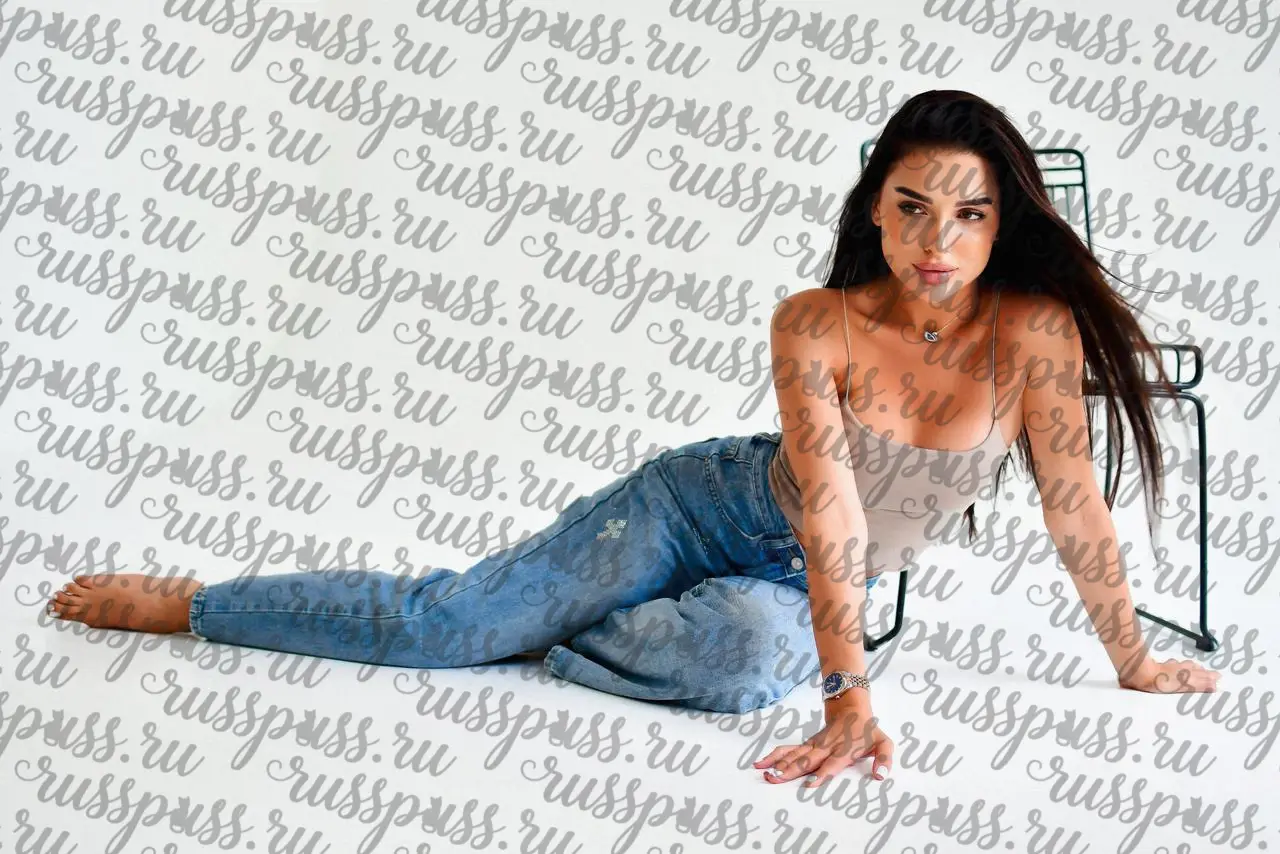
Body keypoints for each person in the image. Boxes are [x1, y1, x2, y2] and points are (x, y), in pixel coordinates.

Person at [45, 90, 1220, 789]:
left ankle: (548, 627)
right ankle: (196, 602)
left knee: (742, 664)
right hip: (696, 509)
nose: (935, 240)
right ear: (873, 204)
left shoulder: (1032, 331)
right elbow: (827, 507)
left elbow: (1072, 502)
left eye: (967, 213)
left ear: (1002, 221)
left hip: (795, 583)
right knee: (445, 624)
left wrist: (1127, 657)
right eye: (910, 205)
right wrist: (848, 693)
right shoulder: (815, 322)